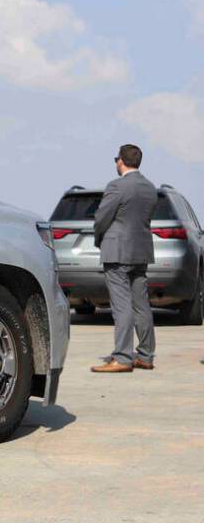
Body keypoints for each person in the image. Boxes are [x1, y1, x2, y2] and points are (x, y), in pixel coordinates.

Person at [91, 144, 158, 373]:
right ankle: (146, 355)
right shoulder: (150, 188)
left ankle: (122, 357)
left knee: (121, 307)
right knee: (141, 305)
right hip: (141, 252)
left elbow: (102, 218)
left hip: (117, 251)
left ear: (121, 160)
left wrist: (99, 239)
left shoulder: (117, 186)